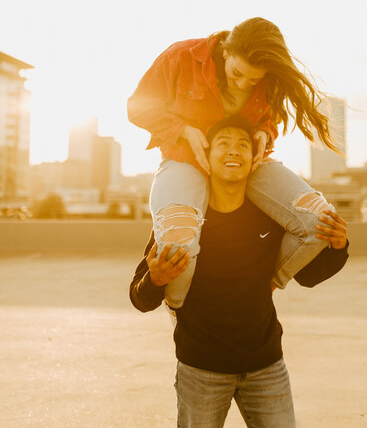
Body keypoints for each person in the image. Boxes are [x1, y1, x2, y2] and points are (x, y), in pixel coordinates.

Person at [129, 116, 349, 428]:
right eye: (224, 144)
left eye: (242, 145)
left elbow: (307, 275)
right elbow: (139, 297)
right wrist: (156, 280)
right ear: (206, 157)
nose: (234, 151)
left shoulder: (269, 218)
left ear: (253, 158)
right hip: (200, 369)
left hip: (267, 366)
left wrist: (338, 246)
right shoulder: (182, 223)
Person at [127, 17, 344, 308]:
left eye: (253, 80)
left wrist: (265, 134)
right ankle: (180, 309)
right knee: (177, 242)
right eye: (237, 73)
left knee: (319, 221)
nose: (243, 84)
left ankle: (264, 286)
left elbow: (270, 118)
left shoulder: (269, 79)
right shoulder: (181, 56)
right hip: (185, 160)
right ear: (226, 51)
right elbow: (137, 108)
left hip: (245, 163)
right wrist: (182, 130)